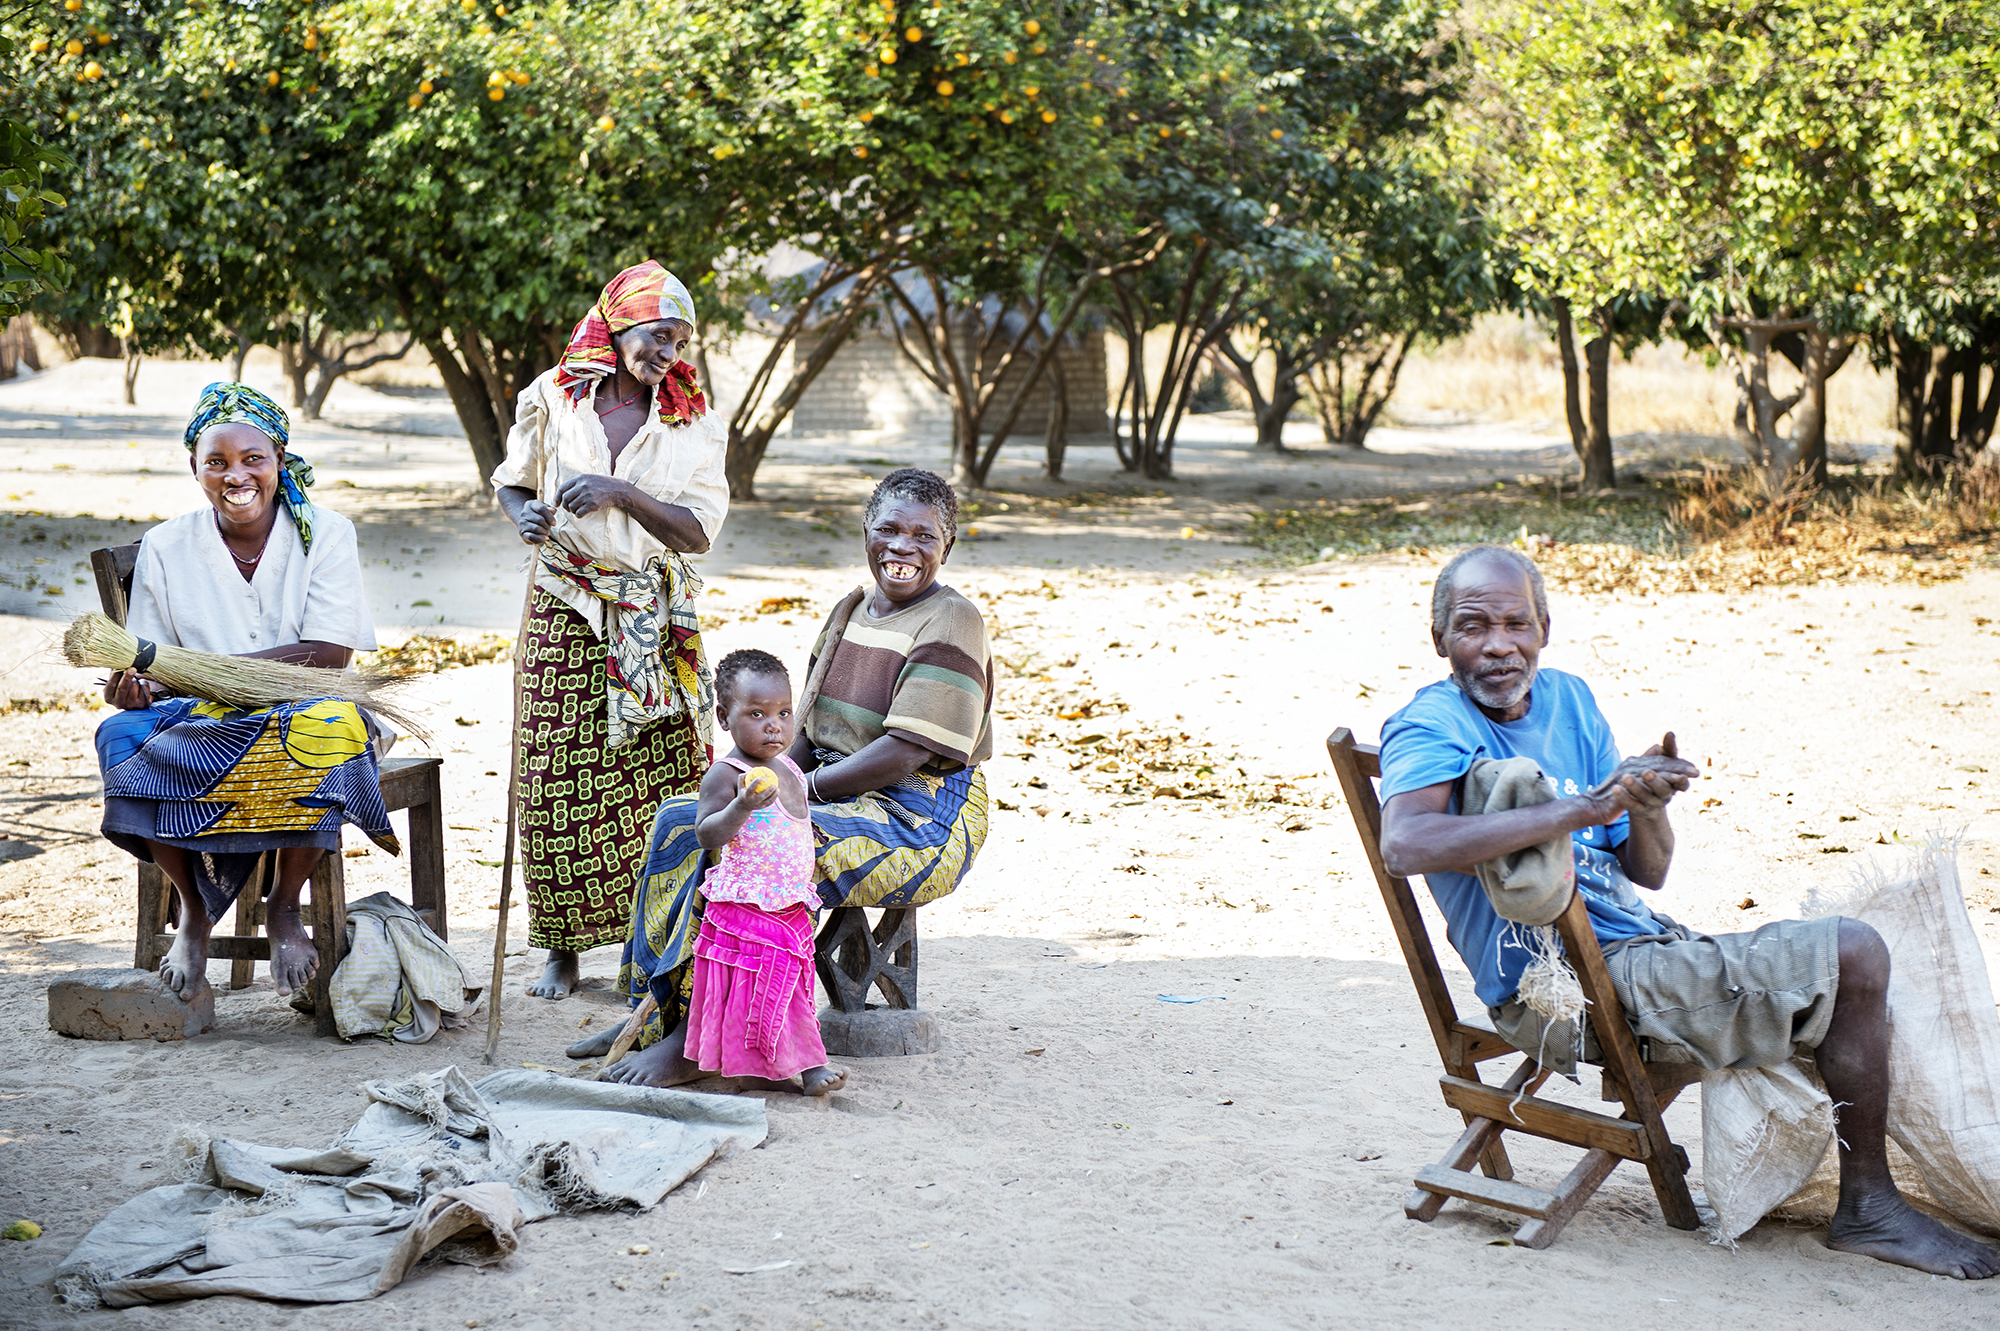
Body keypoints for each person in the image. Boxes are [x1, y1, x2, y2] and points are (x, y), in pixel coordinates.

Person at [1375, 544, 2000, 1280]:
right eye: (1473, 625)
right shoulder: (1430, 723)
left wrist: (1643, 805)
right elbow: (1405, 842)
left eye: (1517, 622)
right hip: (1569, 992)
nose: (1499, 644)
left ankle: (1897, 1183)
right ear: (1439, 636)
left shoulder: (1569, 698)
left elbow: (1649, 869)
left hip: (1643, 948)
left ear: (1545, 625)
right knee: (1856, 953)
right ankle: (1869, 1205)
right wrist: (1579, 807)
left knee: (1863, 961)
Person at [577, 467, 992, 1085]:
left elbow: (905, 751)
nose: (903, 547)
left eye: (923, 536)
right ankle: (654, 1008)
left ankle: (693, 1042)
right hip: (832, 786)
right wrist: (761, 776)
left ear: (946, 548)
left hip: (921, 816)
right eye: (889, 529)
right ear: (866, 532)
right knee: (681, 823)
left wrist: (797, 794)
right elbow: (802, 729)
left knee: (755, 843)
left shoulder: (953, 622)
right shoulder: (851, 608)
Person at [95, 382, 395, 998]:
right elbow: (152, 663)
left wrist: (214, 668)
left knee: (328, 728)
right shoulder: (166, 545)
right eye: (217, 462)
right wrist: (134, 691)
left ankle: (285, 904)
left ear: (280, 461)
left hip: (306, 705)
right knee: (120, 735)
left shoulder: (327, 534)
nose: (237, 476)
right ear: (195, 469)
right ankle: (195, 914)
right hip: (198, 717)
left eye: (253, 459)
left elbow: (331, 655)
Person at [492, 259, 726, 1001]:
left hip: (648, 611)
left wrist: (622, 492)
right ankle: (560, 947)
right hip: (563, 598)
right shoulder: (555, 396)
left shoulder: (692, 423)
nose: (667, 354)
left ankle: (648, 936)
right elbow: (512, 479)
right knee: (554, 769)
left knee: (659, 775)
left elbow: (696, 532)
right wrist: (522, 515)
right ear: (619, 323)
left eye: (679, 341)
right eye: (658, 335)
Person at [680, 648, 843, 1095]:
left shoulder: (789, 767)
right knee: (768, 988)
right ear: (724, 717)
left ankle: (758, 1070)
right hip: (745, 905)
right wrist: (741, 805)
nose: (774, 725)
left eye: (783, 713)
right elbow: (707, 835)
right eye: (757, 713)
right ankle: (812, 1069)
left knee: (785, 987)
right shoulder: (727, 774)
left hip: (788, 902)